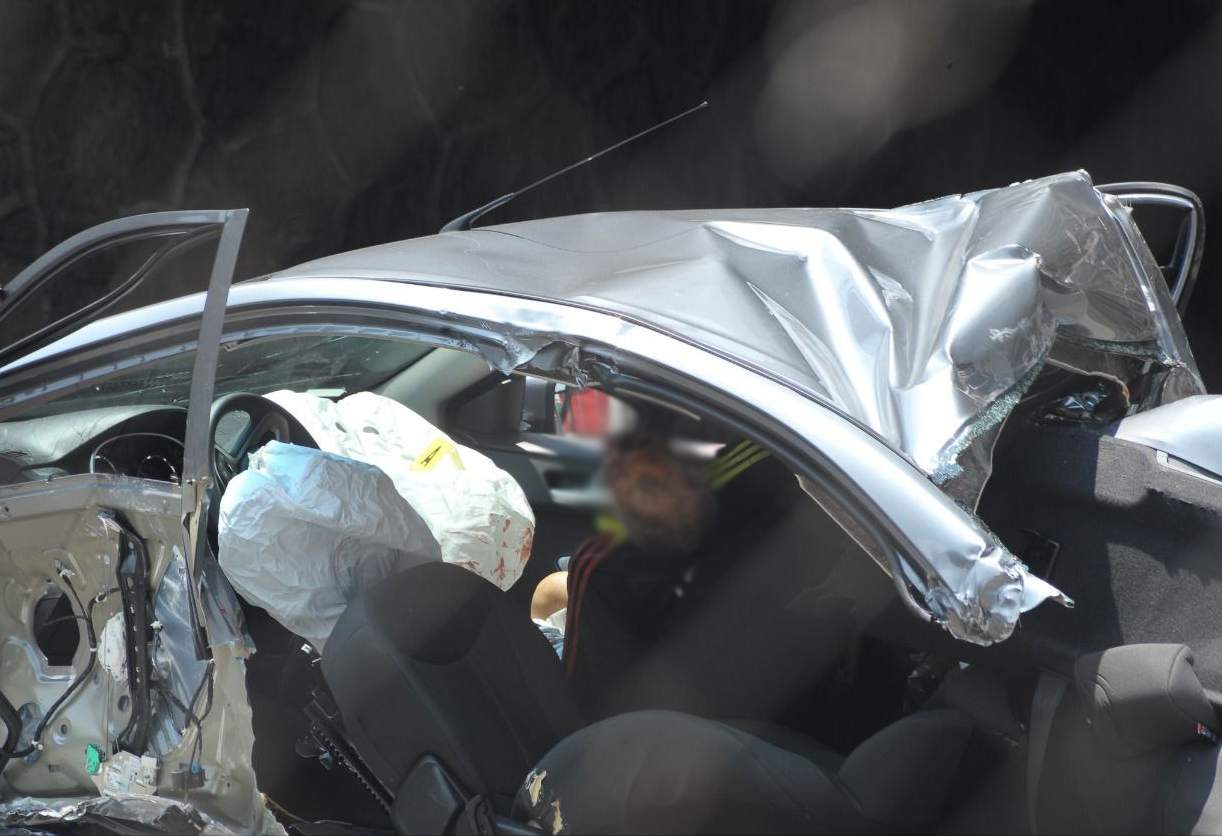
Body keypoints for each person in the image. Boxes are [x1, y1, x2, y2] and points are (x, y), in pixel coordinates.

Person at [533, 432, 790, 717]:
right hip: (729, 645)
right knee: (557, 585)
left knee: (552, 590)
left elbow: (598, 567)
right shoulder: (778, 475)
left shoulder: (760, 459)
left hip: (636, 705)